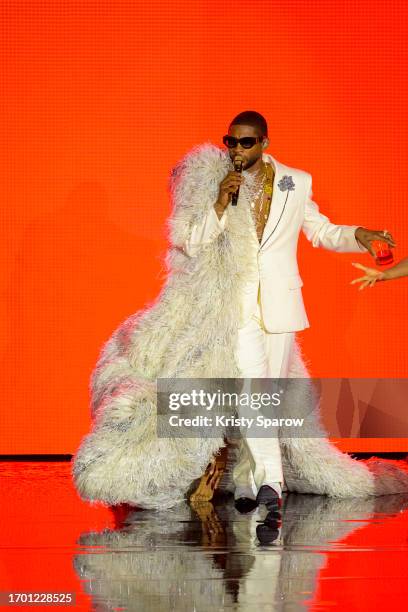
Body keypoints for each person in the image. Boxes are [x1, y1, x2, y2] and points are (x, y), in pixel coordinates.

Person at [71, 110, 408, 512]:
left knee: (272, 396)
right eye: (230, 141)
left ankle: (250, 480)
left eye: (246, 143)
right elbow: (191, 243)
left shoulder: (295, 182)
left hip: (281, 305)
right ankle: (272, 484)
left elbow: (321, 231)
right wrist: (218, 202)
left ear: (264, 143)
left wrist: (360, 236)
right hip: (238, 309)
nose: (236, 150)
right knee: (253, 394)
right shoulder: (217, 182)